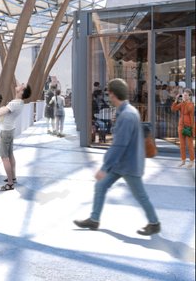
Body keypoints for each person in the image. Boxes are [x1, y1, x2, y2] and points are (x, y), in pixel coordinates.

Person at [74, 78, 161, 235]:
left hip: (128, 165)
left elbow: (119, 146)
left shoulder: (127, 115)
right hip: (123, 164)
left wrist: (104, 168)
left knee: (140, 195)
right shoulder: (128, 112)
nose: (108, 97)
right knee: (100, 186)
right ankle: (94, 220)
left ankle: (154, 223)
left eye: (109, 94)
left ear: (113, 94)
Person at [0, 83, 31, 191]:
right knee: (10, 154)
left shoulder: (14, 103)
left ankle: (10, 183)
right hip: (10, 130)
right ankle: (13, 177)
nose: (20, 84)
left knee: (4, 157)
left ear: (21, 92)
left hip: (5, 131)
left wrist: (1, 108)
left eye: (22, 85)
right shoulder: (20, 103)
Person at [172, 89, 194, 168]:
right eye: (184, 95)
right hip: (181, 126)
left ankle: (191, 161)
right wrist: (176, 100)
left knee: (190, 145)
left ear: (189, 96)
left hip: (188, 127)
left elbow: (190, 113)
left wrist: (193, 129)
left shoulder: (191, 104)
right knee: (182, 145)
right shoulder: (181, 104)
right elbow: (173, 109)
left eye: (186, 95)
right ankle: (183, 160)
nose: (184, 96)